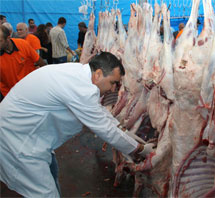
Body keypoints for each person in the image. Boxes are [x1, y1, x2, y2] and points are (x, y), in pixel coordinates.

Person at [0, 51, 154, 197]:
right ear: (98, 74)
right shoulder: (81, 88)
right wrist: (140, 149)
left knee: (51, 173)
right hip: (18, 141)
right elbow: (105, 129)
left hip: (29, 134)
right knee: (44, 193)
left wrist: (125, 131)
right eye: (113, 83)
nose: (113, 89)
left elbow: (99, 113)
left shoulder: (78, 75)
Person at [0, 25, 45, 100]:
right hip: (10, 95)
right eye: (17, 30)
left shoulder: (23, 44)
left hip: (30, 90)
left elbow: (40, 61)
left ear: (8, 38)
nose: (19, 32)